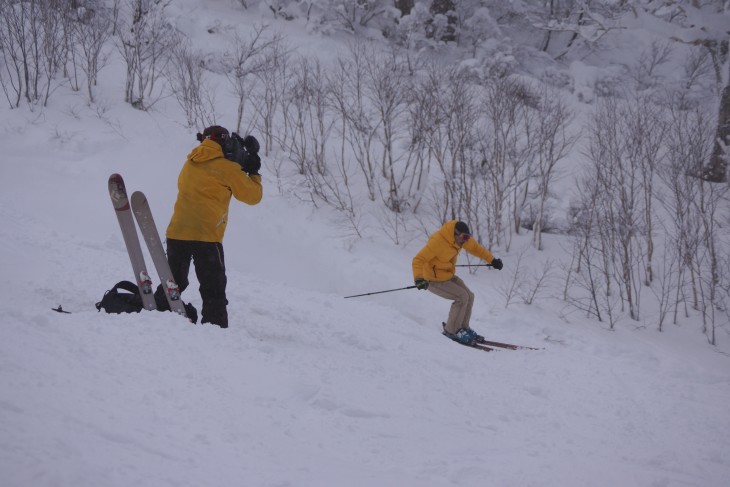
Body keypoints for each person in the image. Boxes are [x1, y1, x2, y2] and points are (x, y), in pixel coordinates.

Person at [155, 125, 263, 328]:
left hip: (177, 232)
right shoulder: (227, 168)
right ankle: (215, 330)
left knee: (174, 282)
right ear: (224, 142)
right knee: (213, 289)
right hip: (206, 237)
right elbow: (253, 196)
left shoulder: (189, 162)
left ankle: (159, 313)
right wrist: (253, 171)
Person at [412, 220, 503, 345]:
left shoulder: (460, 240)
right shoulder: (438, 242)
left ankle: (463, 327)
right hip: (433, 280)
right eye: (463, 237)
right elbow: (418, 260)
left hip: (447, 275)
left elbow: (476, 249)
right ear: (454, 234)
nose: (465, 240)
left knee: (470, 296)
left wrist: (492, 260)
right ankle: (451, 330)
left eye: (467, 237)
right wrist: (418, 278)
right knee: (462, 296)